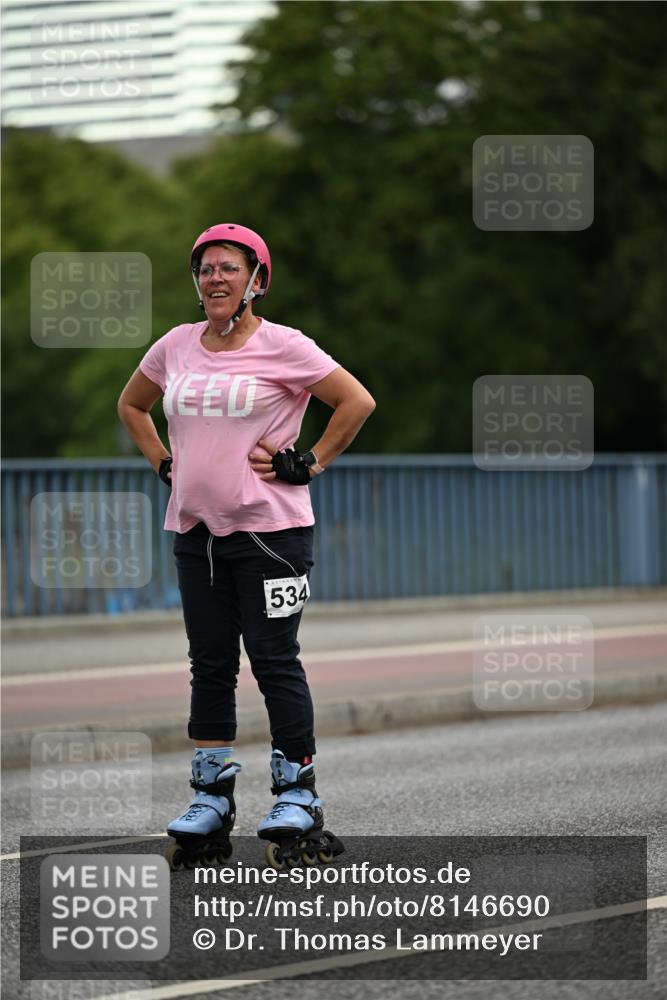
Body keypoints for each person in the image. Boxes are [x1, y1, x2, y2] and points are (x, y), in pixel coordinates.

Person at [117, 223, 375, 868]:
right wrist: (162, 461)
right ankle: (211, 797)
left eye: (229, 267)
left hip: (271, 533)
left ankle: (297, 794)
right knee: (209, 665)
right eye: (205, 269)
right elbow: (133, 406)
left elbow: (355, 401)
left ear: (256, 280)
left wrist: (309, 461)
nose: (215, 278)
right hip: (195, 532)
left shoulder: (284, 345)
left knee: (274, 661)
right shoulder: (176, 345)